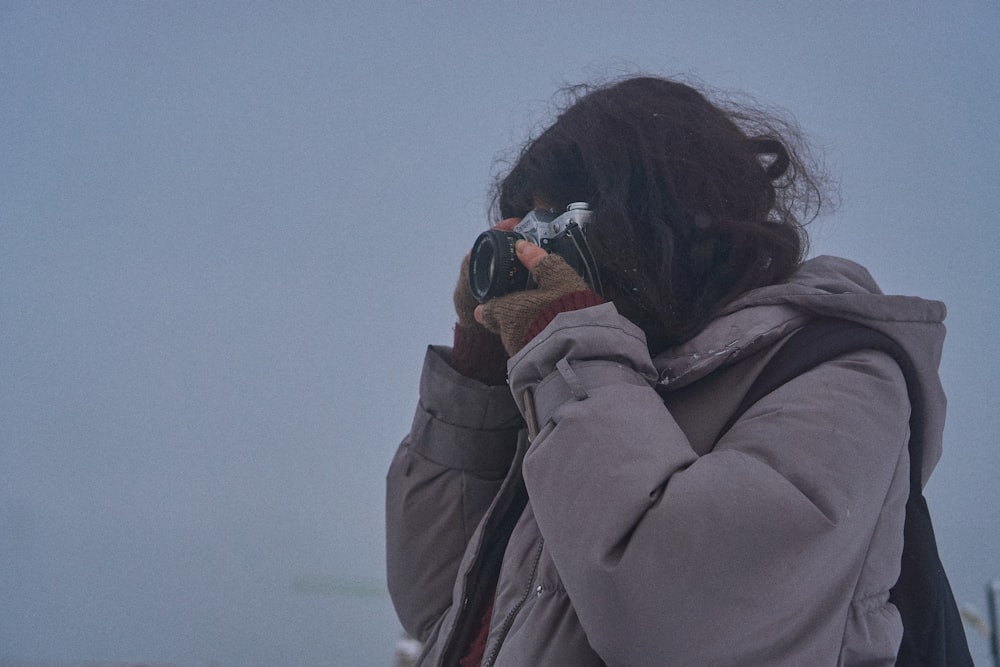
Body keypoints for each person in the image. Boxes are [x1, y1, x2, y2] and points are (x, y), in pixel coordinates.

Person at [385, 76, 948, 666]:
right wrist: (482, 373)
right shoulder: (597, 383)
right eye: (529, 234)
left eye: (556, 230)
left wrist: (567, 342)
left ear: (652, 221)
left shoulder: (837, 374)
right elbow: (437, 605)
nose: (541, 257)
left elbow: (683, 627)